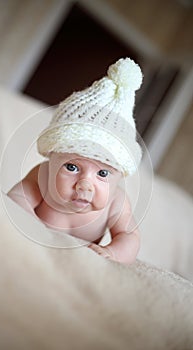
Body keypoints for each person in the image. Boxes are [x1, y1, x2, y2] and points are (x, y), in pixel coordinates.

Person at [8, 57, 143, 264]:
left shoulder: (117, 201)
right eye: (72, 167)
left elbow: (129, 237)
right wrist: (34, 228)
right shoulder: (42, 176)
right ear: (51, 157)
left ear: (120, 175)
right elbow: (16, 199)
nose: (85, 184)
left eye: (103, 173)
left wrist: (113, 253)